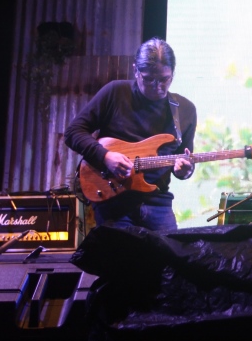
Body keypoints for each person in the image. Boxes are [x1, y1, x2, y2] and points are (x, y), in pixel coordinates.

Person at [65, 38, 197, 231]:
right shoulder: (115, 92)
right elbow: (73, 132)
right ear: (136, 71)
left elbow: (184, 159)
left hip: (157, 201)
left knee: (170, 257)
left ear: (173, 75)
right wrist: (106, 156)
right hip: (113, 200)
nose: (157, 86)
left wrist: (184, 171)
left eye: (164, 79)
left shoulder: (185, 110)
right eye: (148, 78)